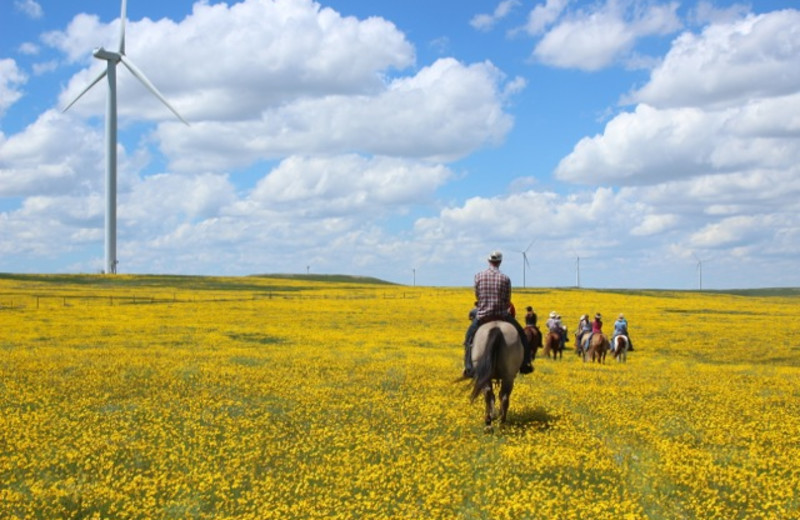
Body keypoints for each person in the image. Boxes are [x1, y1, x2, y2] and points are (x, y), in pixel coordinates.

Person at [463, 251, 534, 377]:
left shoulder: (478, 276)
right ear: (500, 262)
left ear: (488, 261)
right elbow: (507, 300)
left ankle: (468, 366)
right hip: (502, 315)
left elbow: (477, 295)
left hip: (483, 316)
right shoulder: (505, 278)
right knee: (522, 336)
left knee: (469, 338)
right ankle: (525, 363)